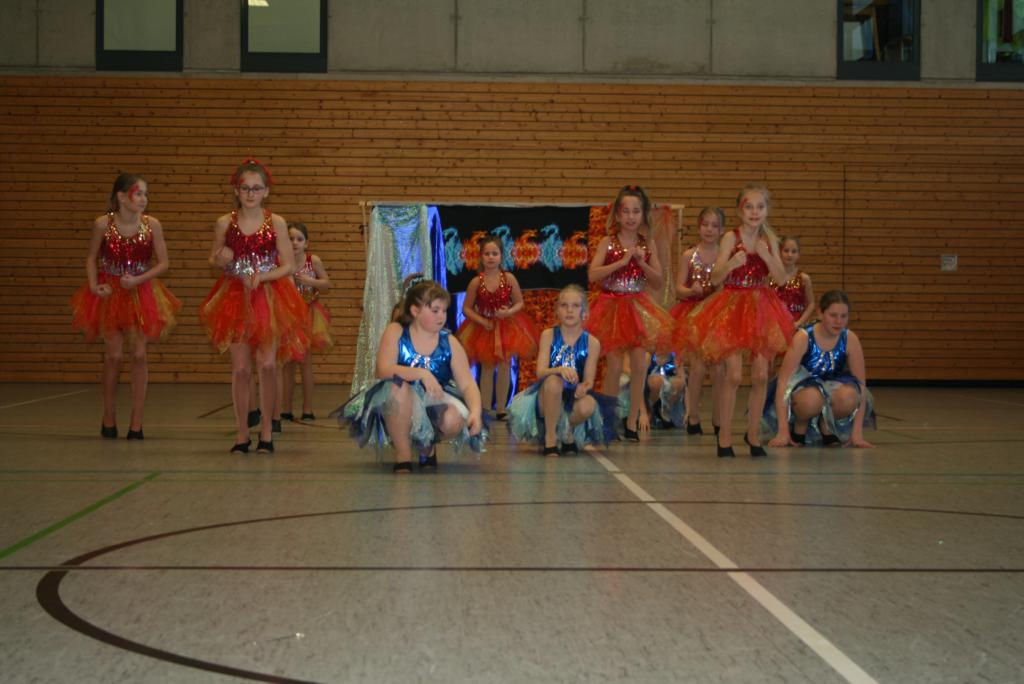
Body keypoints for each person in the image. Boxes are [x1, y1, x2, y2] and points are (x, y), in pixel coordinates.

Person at [199, 158, 307, 455]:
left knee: (268, 365)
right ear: (237, 190)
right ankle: (242, 434)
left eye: (256, 188)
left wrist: (263, 277)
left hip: (268, 296)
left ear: (266, 192)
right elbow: (214, 258)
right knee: (241, 369)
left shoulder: (277, 222)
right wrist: (219, 258)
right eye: (245, 188)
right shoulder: (225, 222)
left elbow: (288, 265)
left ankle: (267, 431)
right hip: (235, 296)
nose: (250, 194)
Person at [71, 173, 181, 440]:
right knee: (115, 356)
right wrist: (94, 285)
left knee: (139, 354)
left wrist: (139, 280)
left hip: (140, 292)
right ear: (121, 197)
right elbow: (91, 257)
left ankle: (136, 421)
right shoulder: (103, 224)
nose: (144, 199)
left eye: (145, 194)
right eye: (138, 193)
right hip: (111, 292)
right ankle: (108, 416)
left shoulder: (152, 225)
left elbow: (163, 263)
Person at [688, 183, 794, 458]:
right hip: (732, 304)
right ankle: (724, 437)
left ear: (767, 211)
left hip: (761, 306)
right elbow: (715, 278)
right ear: (740, 210)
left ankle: (753, 434)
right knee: (733, 375)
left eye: (760, 207)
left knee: (760, 375)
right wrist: (731, 264)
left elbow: (782, 279)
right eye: (749, 207)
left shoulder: (769, 239)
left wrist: (767, 255)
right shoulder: (730, 238)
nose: (755, 212)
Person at [336, 279, 484, 473]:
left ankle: (427, 444)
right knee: (398, 387)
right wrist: (421, 373)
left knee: (453, 419)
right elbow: (383, 369)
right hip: (396, 400)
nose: (441, 316)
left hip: (433, 399)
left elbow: (467, 384)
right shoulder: (396, 331)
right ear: (415, 311)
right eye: (435, 310)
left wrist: (475, 412)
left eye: (444, 310)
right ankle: (403, 453)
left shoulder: (450, 342)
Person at [586, 185, 674, 441]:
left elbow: (657, 281)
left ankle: (632, 420)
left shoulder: (648, 244)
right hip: (611, 306)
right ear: (617, 214)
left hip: (637, 306)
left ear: (643, 214)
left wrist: (642, 262)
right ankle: (608, 420)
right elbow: (593, 275)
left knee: (639, 365)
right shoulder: (608, 242)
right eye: (626, 211)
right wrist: (622, 262)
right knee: (614, 366)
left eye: (636, 211)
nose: (631, 216)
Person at [508, 285, 618, 454]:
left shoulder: (592, 342)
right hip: (546, 398)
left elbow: (589, 380)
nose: (569, 310)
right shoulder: (548, 335)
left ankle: (565, 430)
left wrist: (583, 387)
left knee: (589, 404)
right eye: (564, 305)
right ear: (557, 311)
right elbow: (540, 372)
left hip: (571, 400)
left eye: (575, 306)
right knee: (554, 382)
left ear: (584, 312)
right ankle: (550, 438)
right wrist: (559, 369)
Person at [765, 290, 875, 448]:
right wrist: (782, 431)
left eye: (844, 316)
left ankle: (825, 424)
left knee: (851, 396)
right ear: (820, 313)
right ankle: (799, 425)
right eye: (833, 315)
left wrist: (857, 434)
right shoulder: (804, 337)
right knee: (812, 399)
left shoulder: (850, 339)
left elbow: (861, 385)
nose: (838, 321)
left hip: (832, 389)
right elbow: (783, 382)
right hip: (801, 392)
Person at [456, 235, 539, 419]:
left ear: (501, 256)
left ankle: (501, 408)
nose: (491, 257)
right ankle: (485, 408)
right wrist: (481, 320)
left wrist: (508, 312)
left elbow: (519, 303)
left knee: (504, 366)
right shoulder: (476, 282)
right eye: (487, 254)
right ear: (480, 257)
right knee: (486, 368)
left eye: (495, 253)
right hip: (483, 328)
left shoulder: (509, 278)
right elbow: (466, 309)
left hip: (506, 327)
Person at [670, 207, 726, 436]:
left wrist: (717, 294)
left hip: (717, 316)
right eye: (705, 224)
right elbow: (678, 289)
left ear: (722, 230)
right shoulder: (689, 255)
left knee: (719, 369)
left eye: (714, 225)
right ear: (699, 227)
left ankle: (718, 417)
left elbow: (728, 288)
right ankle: (693, 416)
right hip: (692, 314)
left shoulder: (725, 256)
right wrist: (690, 290)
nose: (709, 229)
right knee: (698, 367)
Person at [279, 221, 332, 423]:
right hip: (287, 315)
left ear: (306, 243)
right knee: (287, 364)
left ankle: (307, 408)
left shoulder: (313, 261)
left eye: (299, 239)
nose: (294, 243)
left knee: (305, 362)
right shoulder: (280, 261)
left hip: (309, 314)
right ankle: (286, 408)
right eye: (290, 239)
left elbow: (327, 283)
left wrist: (312, 281)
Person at [773, 236, 815, 329]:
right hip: (775, 325)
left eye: (794, 251)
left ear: (798, 254)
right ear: (779, 252)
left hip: (796, 324)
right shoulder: (770, 277)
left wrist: (799, 322)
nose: (790, 254)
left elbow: (811, 303)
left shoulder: (804, 278)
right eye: (786, 250)